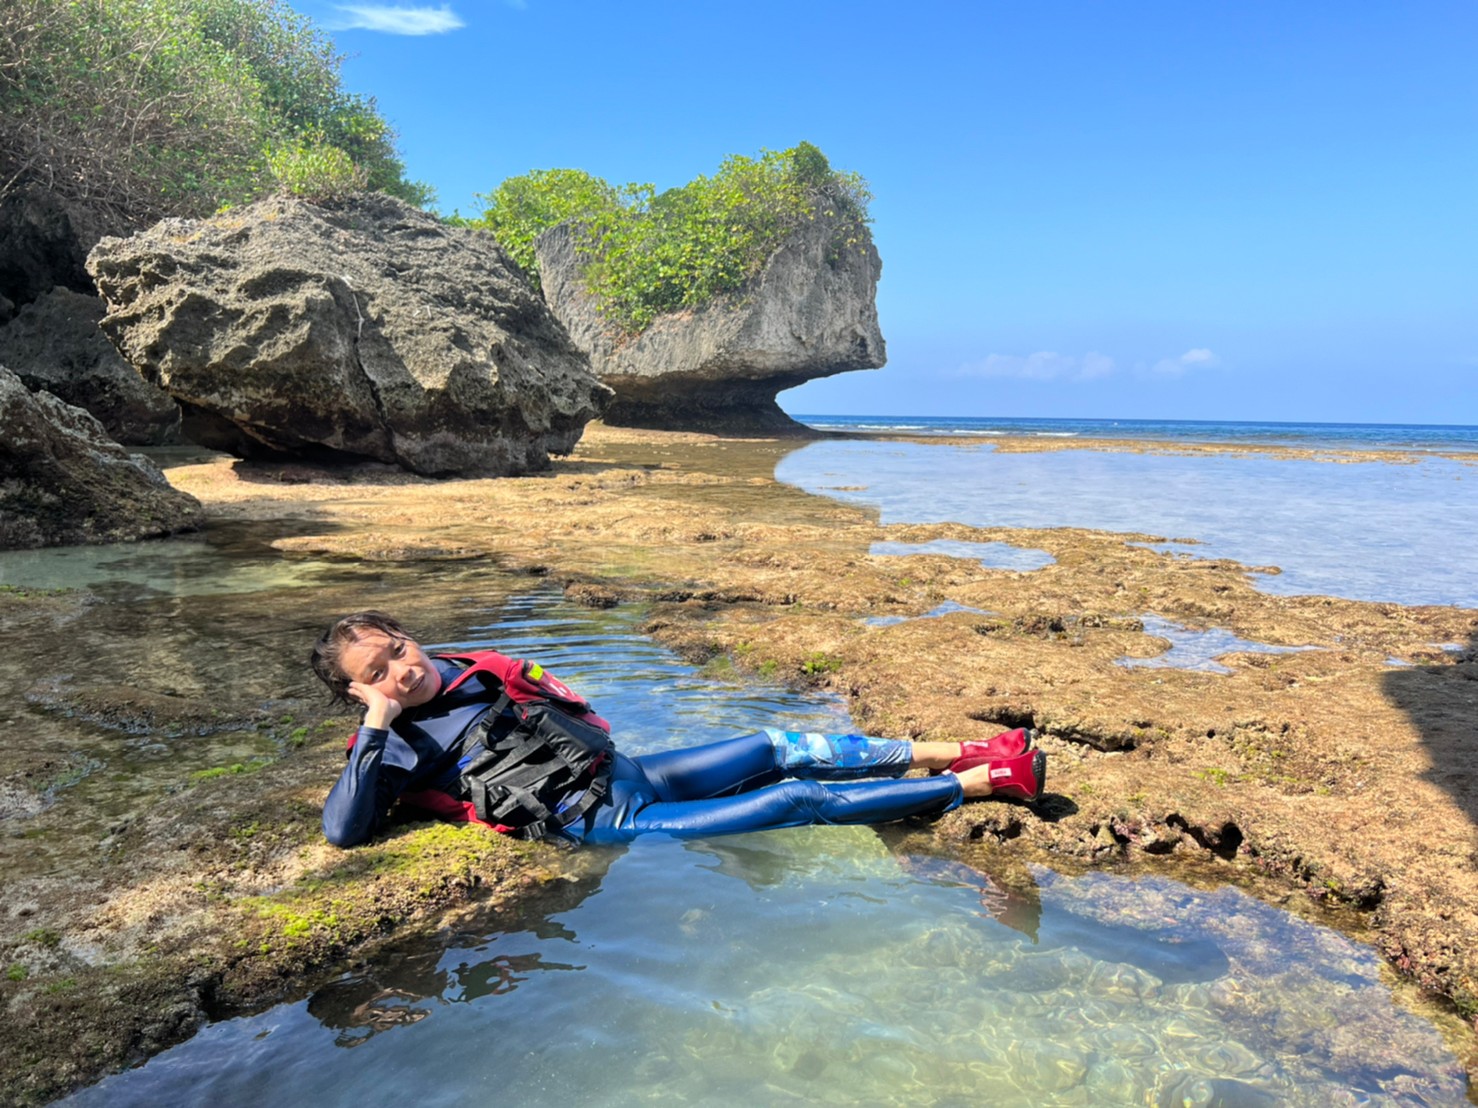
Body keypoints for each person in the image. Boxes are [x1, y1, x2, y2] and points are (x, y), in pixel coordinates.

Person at [311, 611, 1047, 848]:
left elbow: (577, 711)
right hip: (602, 819)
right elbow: (343, 831)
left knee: (773, 747)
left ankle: (964, 748)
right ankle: (977, 784)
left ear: (411, 637)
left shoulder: (477, 667)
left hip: (632, 772)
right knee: (794, 799)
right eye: (376, 672)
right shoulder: (393, 745)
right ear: (359, 689)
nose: (400, 672)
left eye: (397, 650)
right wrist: (377, 725)